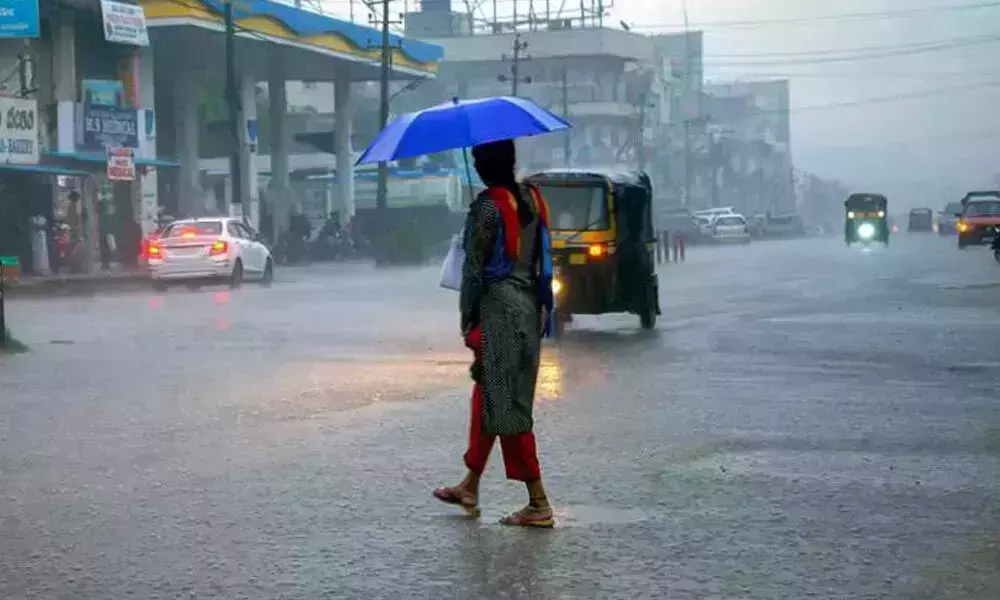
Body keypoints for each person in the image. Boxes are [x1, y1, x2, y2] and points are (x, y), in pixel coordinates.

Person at [432, 139, 556, 528]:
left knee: (507, 408)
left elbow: (472, 269)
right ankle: (470, 483)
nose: (477, 165)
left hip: (499, 312)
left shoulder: (487, 206)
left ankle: (538, 502)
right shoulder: (533, 198)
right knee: (489, 399)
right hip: (528, 308)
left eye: (477, 159)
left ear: (487, 165)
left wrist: (467, 316)